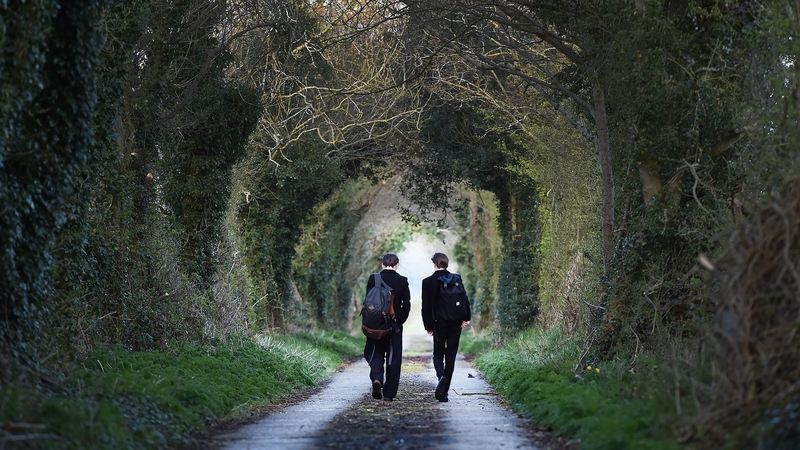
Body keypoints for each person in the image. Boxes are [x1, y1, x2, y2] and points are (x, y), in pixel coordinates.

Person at [421, 252, 471, 402]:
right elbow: (464, 298)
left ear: (434, 264)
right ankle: (445, 392)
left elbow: (426, 306)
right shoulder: (456, 278)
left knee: (438, 354)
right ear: (446, 264)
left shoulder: (428, 281)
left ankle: (441, 376)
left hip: (438, 323)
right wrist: (466, 318)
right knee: (451, 356)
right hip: (456, 322)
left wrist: (428, 326)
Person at [364, 253, 411, 401]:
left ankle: (377, 379)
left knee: (375, 352)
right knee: (393, 358)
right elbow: (406, 304)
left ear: (382, 264)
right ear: (397, 265)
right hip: (394, 325)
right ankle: (389, 394)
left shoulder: (374, 278)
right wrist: (399, 320)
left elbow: (368, 301)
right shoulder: (402, 280)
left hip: (376, 325)